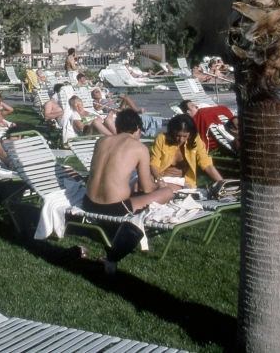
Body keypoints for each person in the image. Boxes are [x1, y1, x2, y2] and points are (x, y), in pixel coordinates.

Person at [84, 110, 175, 273]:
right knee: (167, 192)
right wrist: (160, 186)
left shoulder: (102, 141)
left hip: (88, 202)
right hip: (113, 208)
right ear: (138, 128)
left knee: (132, 190)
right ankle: (112, 258)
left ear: (117, 127)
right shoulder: (140, 148)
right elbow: (147, 188)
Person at [150, 115, 224, 188]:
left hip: (183, 182)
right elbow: (154, 162)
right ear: (172, 132)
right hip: (160, 178)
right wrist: (159, 178)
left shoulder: (195, 140)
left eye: (185, 136)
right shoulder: (162, 139)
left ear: (191, 134)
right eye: (177, 135)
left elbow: (206, 163)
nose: (181, 139)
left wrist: (222, 183)